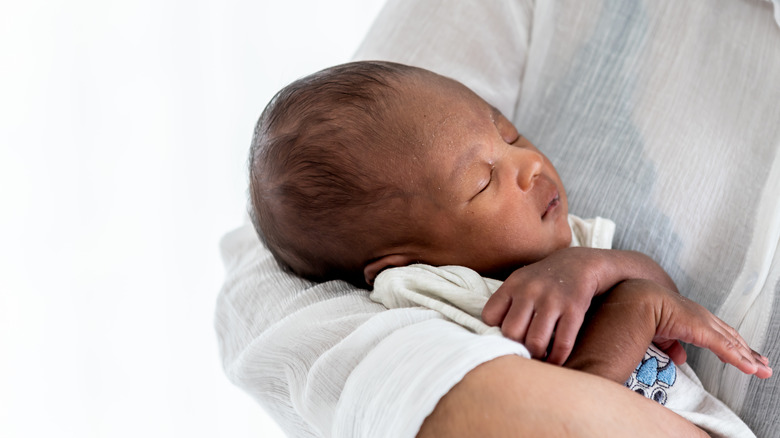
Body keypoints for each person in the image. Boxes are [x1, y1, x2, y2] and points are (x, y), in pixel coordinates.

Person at [216, 1, 780, 436]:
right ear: (407, 261)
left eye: (508, 132)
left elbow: (655, 286)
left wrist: (597, 268)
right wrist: (632, 309)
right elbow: (564, 403)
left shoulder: (562, 245)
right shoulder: (434, 292)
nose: (530, 163)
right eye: (483, 180)